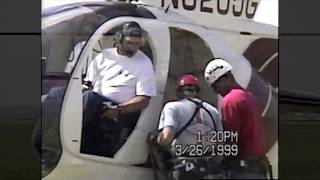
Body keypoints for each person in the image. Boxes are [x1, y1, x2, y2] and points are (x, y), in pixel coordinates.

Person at [80, 21, 157, 155]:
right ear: (119, 39)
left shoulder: (144, 63)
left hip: (120, 108)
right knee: (56, 94)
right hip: (95, 101)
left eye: (137, 44)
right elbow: (88, 83)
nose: (133, 48)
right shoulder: (104, 56)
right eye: (129, 43)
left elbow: (144, 99)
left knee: (89, 98)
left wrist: (120, 109)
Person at [204, 58, 271, 179]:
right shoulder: (248, 96)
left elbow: (231, 139)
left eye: (215, 86)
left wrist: (216, 162)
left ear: (224, 78)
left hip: (243, 170)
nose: (217, 91)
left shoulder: (230, 100)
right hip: (258, 168)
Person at [154, 73, 224, 180]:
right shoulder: (212, 110)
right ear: (197, 91)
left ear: (178, 91)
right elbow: (221, 145)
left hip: (185, 167)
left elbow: (166, 137)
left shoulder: (172, 107)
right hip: (209, 166)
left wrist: (157, 139)